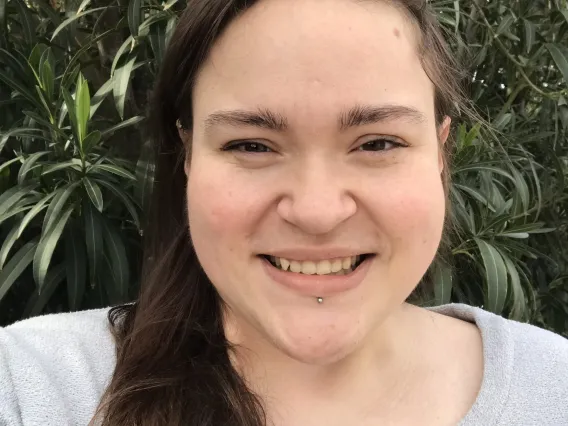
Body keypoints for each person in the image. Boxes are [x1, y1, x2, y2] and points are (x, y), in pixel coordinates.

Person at [1, 0, 568, 425]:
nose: (318, 212)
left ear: (441, 157)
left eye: (377, 143)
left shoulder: (553, 388)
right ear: (188, 159)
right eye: (251, 145)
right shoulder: (36, 388)